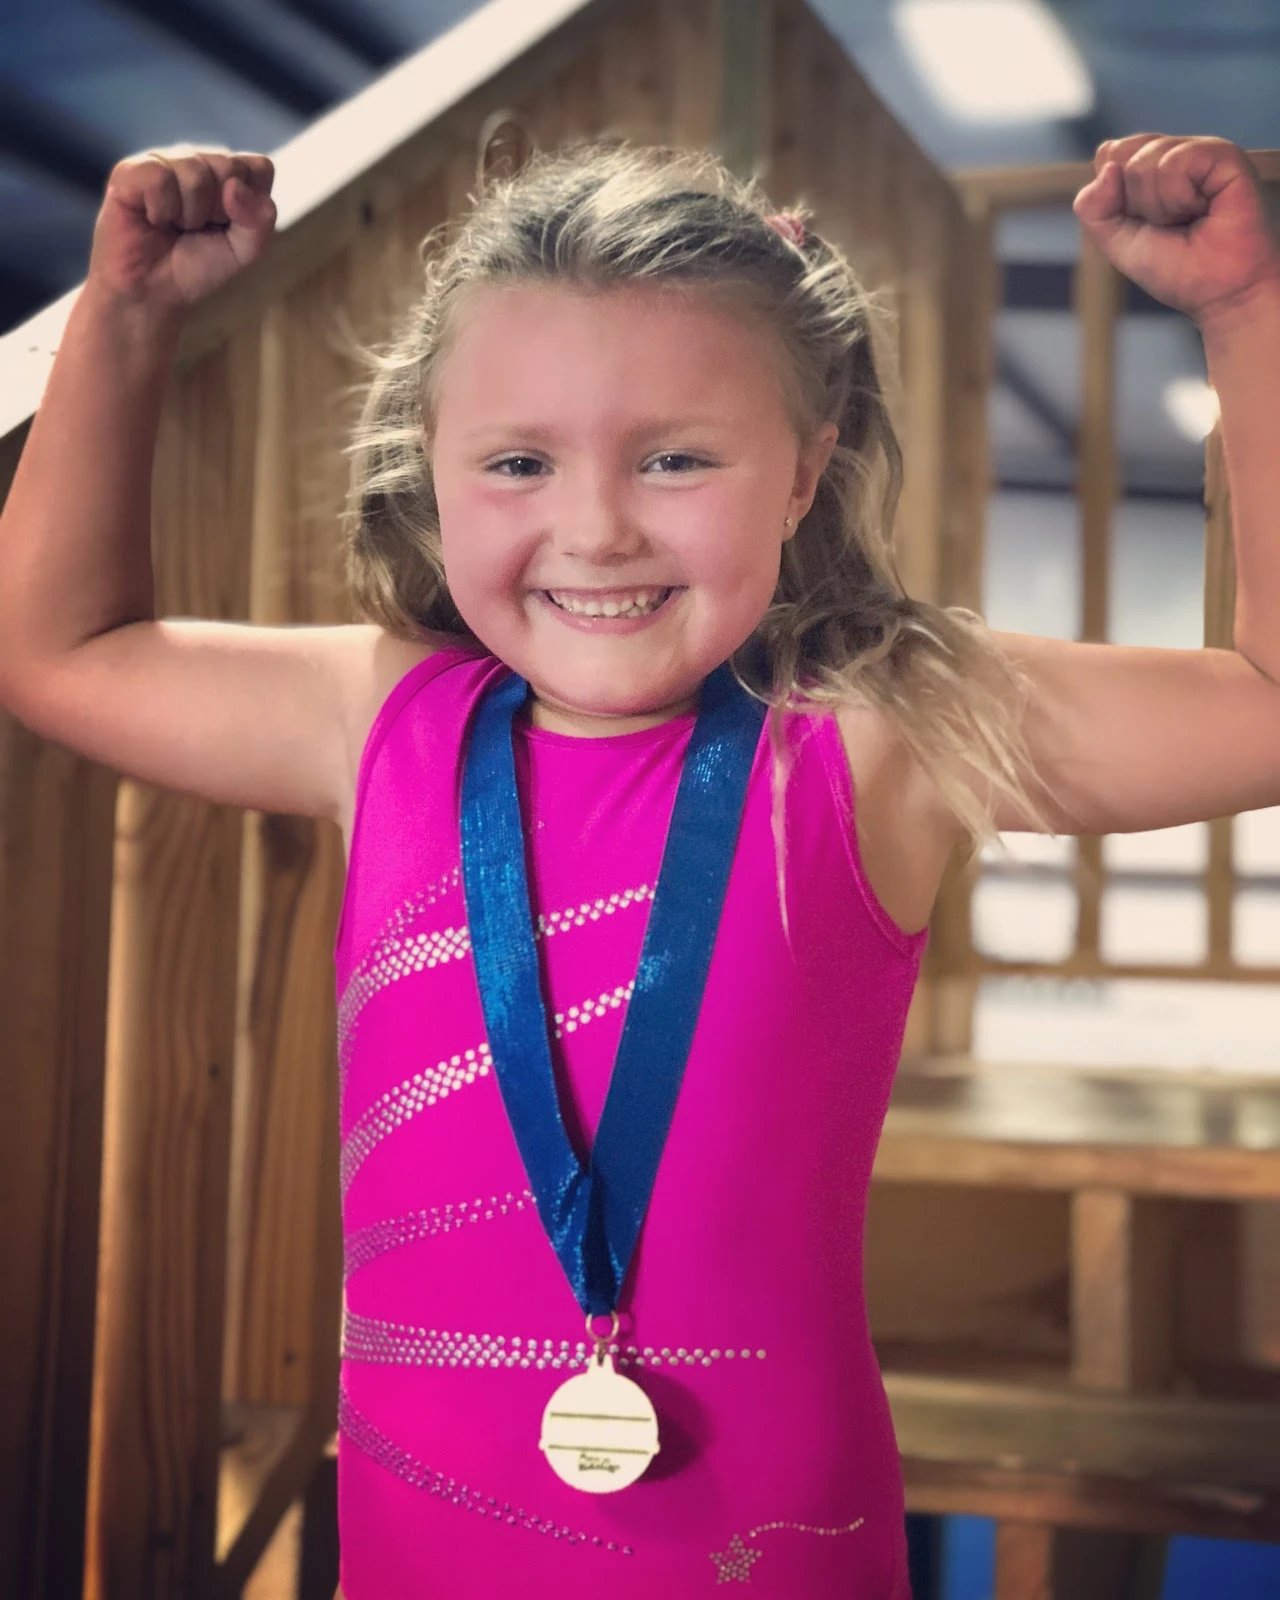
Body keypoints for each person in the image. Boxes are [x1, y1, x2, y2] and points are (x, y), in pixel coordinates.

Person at [1, 131, 1277, 1599]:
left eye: (676, 459)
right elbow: (58, 652)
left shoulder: (881, 738)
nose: (597, 527)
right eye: (518, 463)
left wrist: (1248, 315)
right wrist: (127, 319)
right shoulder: (381, 720)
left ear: (805, 472)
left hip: (768, 1558)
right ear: (435, 472)